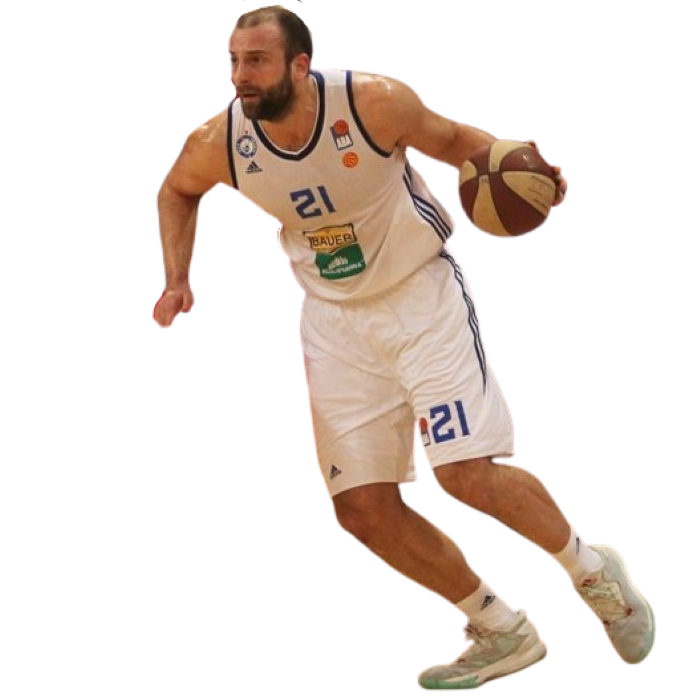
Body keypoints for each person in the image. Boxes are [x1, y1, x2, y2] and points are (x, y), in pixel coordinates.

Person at [154, 5, 656, 690]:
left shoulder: (373, 102)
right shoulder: (219, 140)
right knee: (361, 510)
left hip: (420, 296)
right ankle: (499, 628)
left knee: (465, 473)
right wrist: (177, 278)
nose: (240, 75)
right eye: (233, 60)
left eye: (257, 60)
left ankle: (593, 573)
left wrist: (528, 172)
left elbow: (458, 143)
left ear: (300, 66)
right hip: (334, 323)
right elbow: (177, 191)